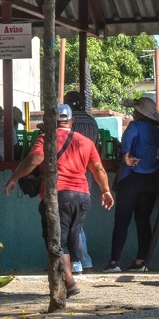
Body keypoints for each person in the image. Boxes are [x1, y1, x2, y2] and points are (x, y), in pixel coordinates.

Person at [5, 104, 114, 295]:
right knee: (72, 239)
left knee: (57, 241)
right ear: (72, 121)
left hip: (57, 195)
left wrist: (14, 177)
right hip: (82, 196)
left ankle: (70, 282)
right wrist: (105, 191)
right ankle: (66, 281)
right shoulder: (86, 142)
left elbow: (33, 161)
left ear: (52, 121)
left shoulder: (47, 139)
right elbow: (98, 169)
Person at [103, 97, 159, 273]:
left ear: (139, 113)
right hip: (151, 179)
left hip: (131, 178)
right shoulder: (157, 131)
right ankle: (141, 261)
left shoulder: (135, 127)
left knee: (122, 220)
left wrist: (126, 156)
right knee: (143, 221)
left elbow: (127, 141)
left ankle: (114, 262)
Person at [63, 90, 99, 273]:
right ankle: (83, 261)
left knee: (71, 222)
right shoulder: (92, 122)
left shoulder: (68, 123)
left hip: (69, 175)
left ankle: (79, 262)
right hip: (87, 176)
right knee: (77, 219)